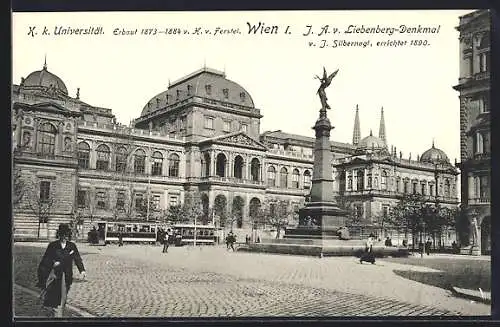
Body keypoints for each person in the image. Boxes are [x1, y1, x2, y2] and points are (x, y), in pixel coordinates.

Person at [37, 224, 86, 318]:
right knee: (57, 297)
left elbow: (77, 258)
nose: (65, 237)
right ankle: (56, 314)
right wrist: (53, 263)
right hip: (55, 275)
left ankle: (57, 312)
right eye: (63, 235)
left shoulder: (72, 246)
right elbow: (46, 259)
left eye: (66, 235)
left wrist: (82, 270)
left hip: (67, 275)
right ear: (59, 235)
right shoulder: (53, 245)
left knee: (63, 297)